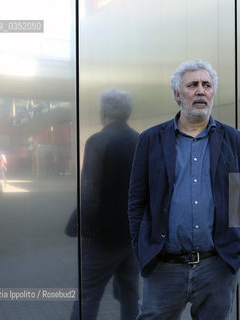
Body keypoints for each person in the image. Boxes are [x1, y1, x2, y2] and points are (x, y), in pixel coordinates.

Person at [128, 59, 240, 319]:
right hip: (164, 267)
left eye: (207, 85)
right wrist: (142, 247)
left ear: (212, 93)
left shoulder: (233, 139)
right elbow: (136, 201)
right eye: (193, 85)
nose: (201, 90)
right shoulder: (151, 140)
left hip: (217, 266)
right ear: (177, 94)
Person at [70, 88, 140, 320]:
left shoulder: (98, 141)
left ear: (104, 111)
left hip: (103, 238)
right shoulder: (139, 140)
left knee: (88, 295)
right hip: (131, 236)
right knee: (130, 293)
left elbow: (90, 192)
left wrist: (86, 231)